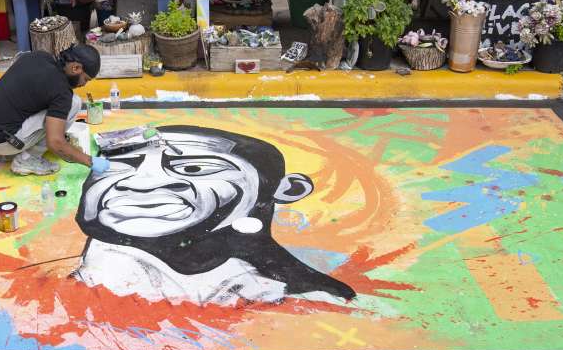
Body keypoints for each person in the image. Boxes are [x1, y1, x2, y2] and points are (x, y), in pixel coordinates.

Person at [74, 125, 358, 304]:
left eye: (193, 168)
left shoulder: (310, 299)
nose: (141, 182)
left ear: (287, 189)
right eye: (121, 166)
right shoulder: (92, 272)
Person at [0, 44, 110, 177]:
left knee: (48, 108)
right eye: (86, 79)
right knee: (74, 103)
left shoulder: (38, 56)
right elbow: (55, 142)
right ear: (76, 68)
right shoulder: (61, 91)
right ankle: (26, 159)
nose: (84, 84)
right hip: (2, 140)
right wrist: (90, 161)